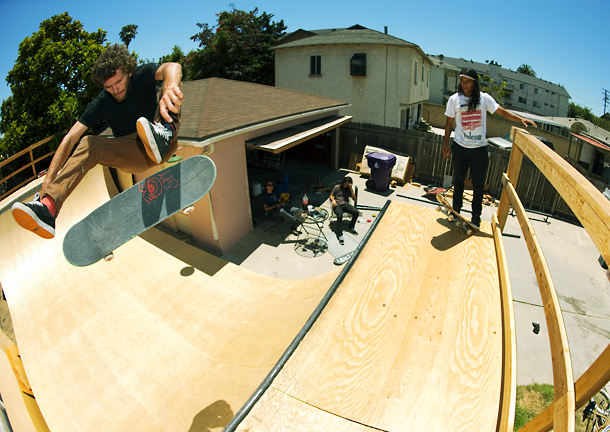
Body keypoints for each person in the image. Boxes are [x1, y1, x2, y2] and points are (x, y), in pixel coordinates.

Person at [11, 44, 184, 239]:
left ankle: (164, 133)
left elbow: (173, 67)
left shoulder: (142, 74)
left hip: (165, 139)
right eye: (108, 87)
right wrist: (47, 184)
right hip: (134, 153)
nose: (115, 89)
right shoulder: (101, 102)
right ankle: (48, 209)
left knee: (171, 88)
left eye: (118, 82)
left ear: (128, 72)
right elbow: (69, 139)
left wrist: (170, 85)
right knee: (89, 143)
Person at [443, 68, 536, 229]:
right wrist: (445, 145)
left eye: (467, 81)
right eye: (462, 81)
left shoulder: (484, 99)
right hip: (459, 147)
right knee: (458, 180)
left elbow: (502, 112)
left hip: (479, 150)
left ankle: (475, 218)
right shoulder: (454, 100)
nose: (464, 84)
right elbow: (449, 124)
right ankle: (455, 210)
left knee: (478, 185)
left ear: (475, 83)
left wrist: (520, 119)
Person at [330, 176, 358, 245]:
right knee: (340, 215)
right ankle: (340, 234)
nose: (345, 185)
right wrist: (333, 201)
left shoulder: (349, 189)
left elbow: (354, 198)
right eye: (345, 183)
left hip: (345, 204)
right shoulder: (337, 187)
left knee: (356, 212)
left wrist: (351, 188)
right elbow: (331, 195)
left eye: (347, 184)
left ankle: (351, 227)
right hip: (337, 204)